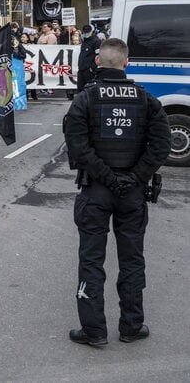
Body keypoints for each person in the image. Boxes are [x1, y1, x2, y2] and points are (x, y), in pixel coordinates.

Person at [63, 38, 171, 346]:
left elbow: (78, 147)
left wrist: (108, 178)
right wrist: (134, 177)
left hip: (96, 189)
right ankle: (131, 326)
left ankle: (94, 331)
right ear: (126, 63)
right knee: (132, 259)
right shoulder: (146, 99)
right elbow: (162, 144)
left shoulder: (85, 99)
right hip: (132, 192)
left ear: (97, 63)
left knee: (91, 259)